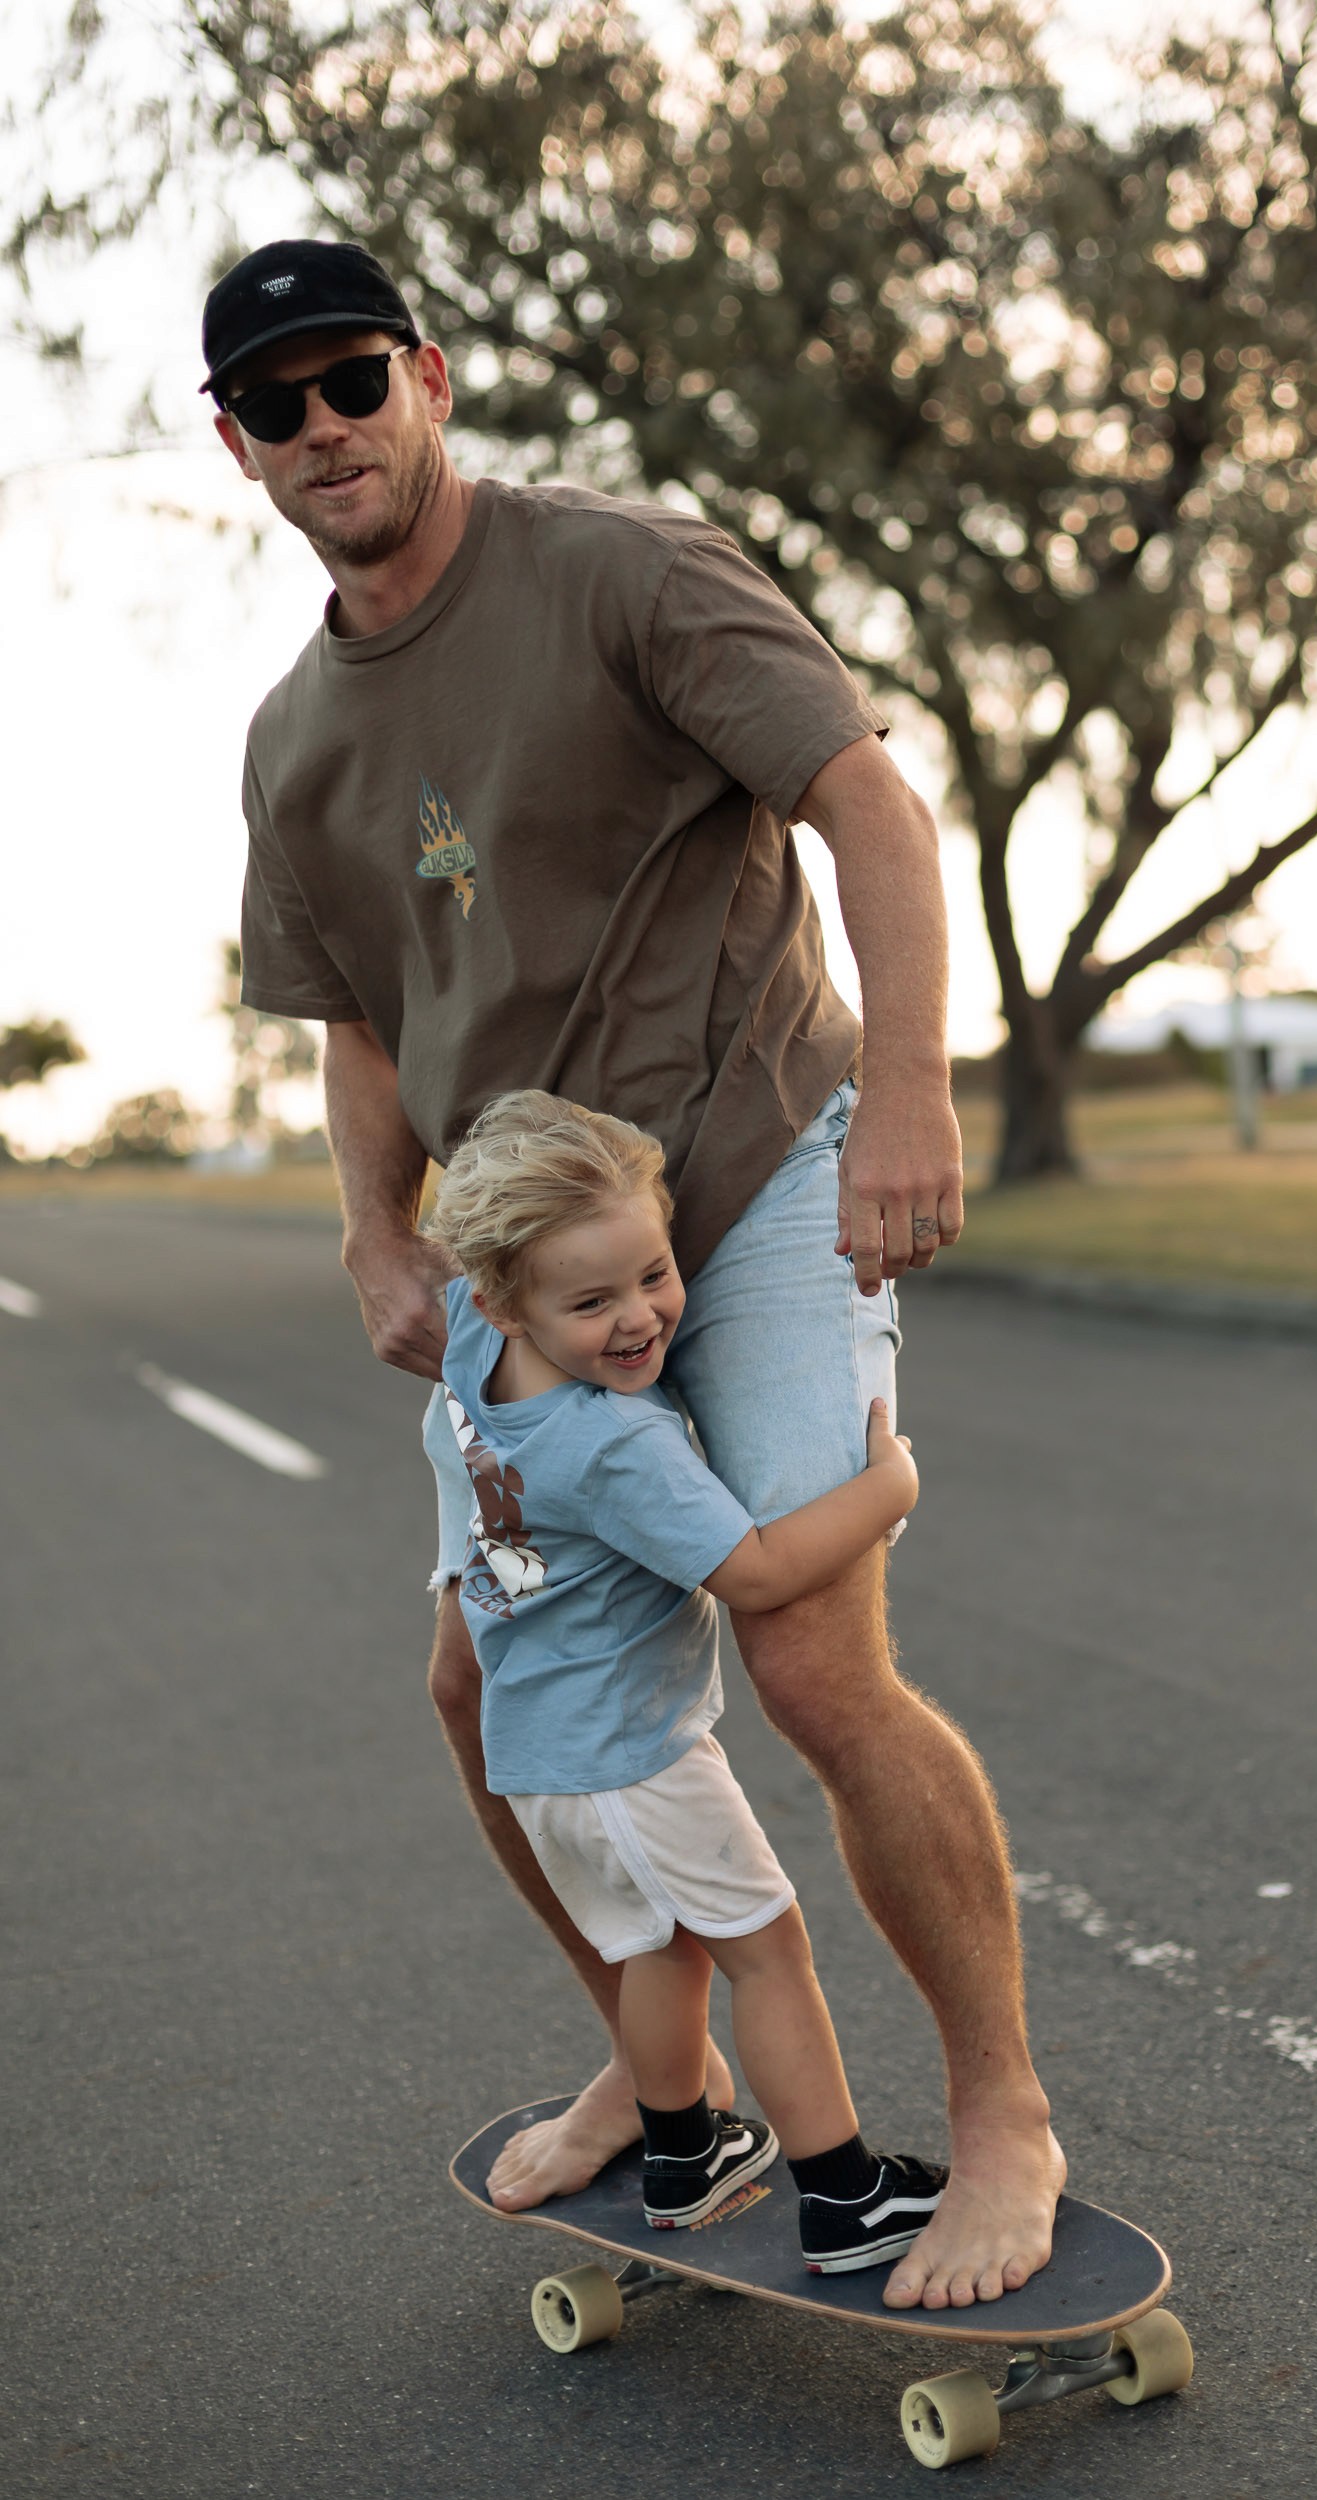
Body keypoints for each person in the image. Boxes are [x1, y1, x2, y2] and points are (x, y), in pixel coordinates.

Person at [205, 235, 1064, 2310]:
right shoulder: (294, 734)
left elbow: (866, 800)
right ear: (235, 444)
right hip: (523, 1252)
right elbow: (354, 1009)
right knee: (481, 1677)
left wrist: (916, 1091)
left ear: (426, 373)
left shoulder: (624, 572)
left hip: (752, 1173)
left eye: (351, 378)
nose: (324, 425)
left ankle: (1001, 2108)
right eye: (277, 402)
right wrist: (369, 1223)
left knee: (804, 1664)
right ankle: (658, 2075)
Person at [426, 1087, 946, 2268]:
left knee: (659, 1949)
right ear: (513, 1298)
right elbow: (755, 1572)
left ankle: (681, 2153)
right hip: (637, 1755)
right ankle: (844, 2192)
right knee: (769, 1950)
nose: (638, 1319)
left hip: (545, 1757)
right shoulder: (616, 1445)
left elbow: (460, 1284)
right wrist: (887, 1487)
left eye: (653, 1274)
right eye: (591, 1299)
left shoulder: (474, 1340)